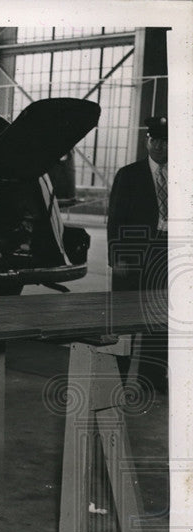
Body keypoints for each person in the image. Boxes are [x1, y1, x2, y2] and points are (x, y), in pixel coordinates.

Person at [107, 115, 168, 390]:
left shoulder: (184, 174)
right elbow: (116, 219)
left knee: (160, 318)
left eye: (166, 141)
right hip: (132, 253)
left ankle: (152, 380)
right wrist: (117, 256)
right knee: (125, 319)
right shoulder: (129, 174)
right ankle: (117, 380)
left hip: (167, 252)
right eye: (154, 139)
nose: (159, 146)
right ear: (147, 141)